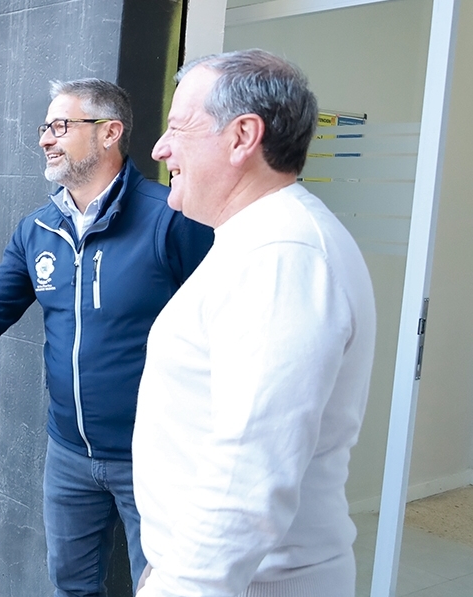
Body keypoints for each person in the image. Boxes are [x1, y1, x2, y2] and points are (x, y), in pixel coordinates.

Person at [0, 79, 214, 596]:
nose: (46, 138)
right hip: (69, 452)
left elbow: (219, 328)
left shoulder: (170, 219)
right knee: (71, 586)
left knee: (167, 589)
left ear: (110, 132)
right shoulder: (39, 229)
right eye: (45, 127)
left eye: (60, 126)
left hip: (155, 456)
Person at [131, 49, 377, 597]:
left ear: (243, 136)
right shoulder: (259, 240)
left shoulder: (284, 255)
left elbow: (249, 471)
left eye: (177, 127)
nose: (160, 148)